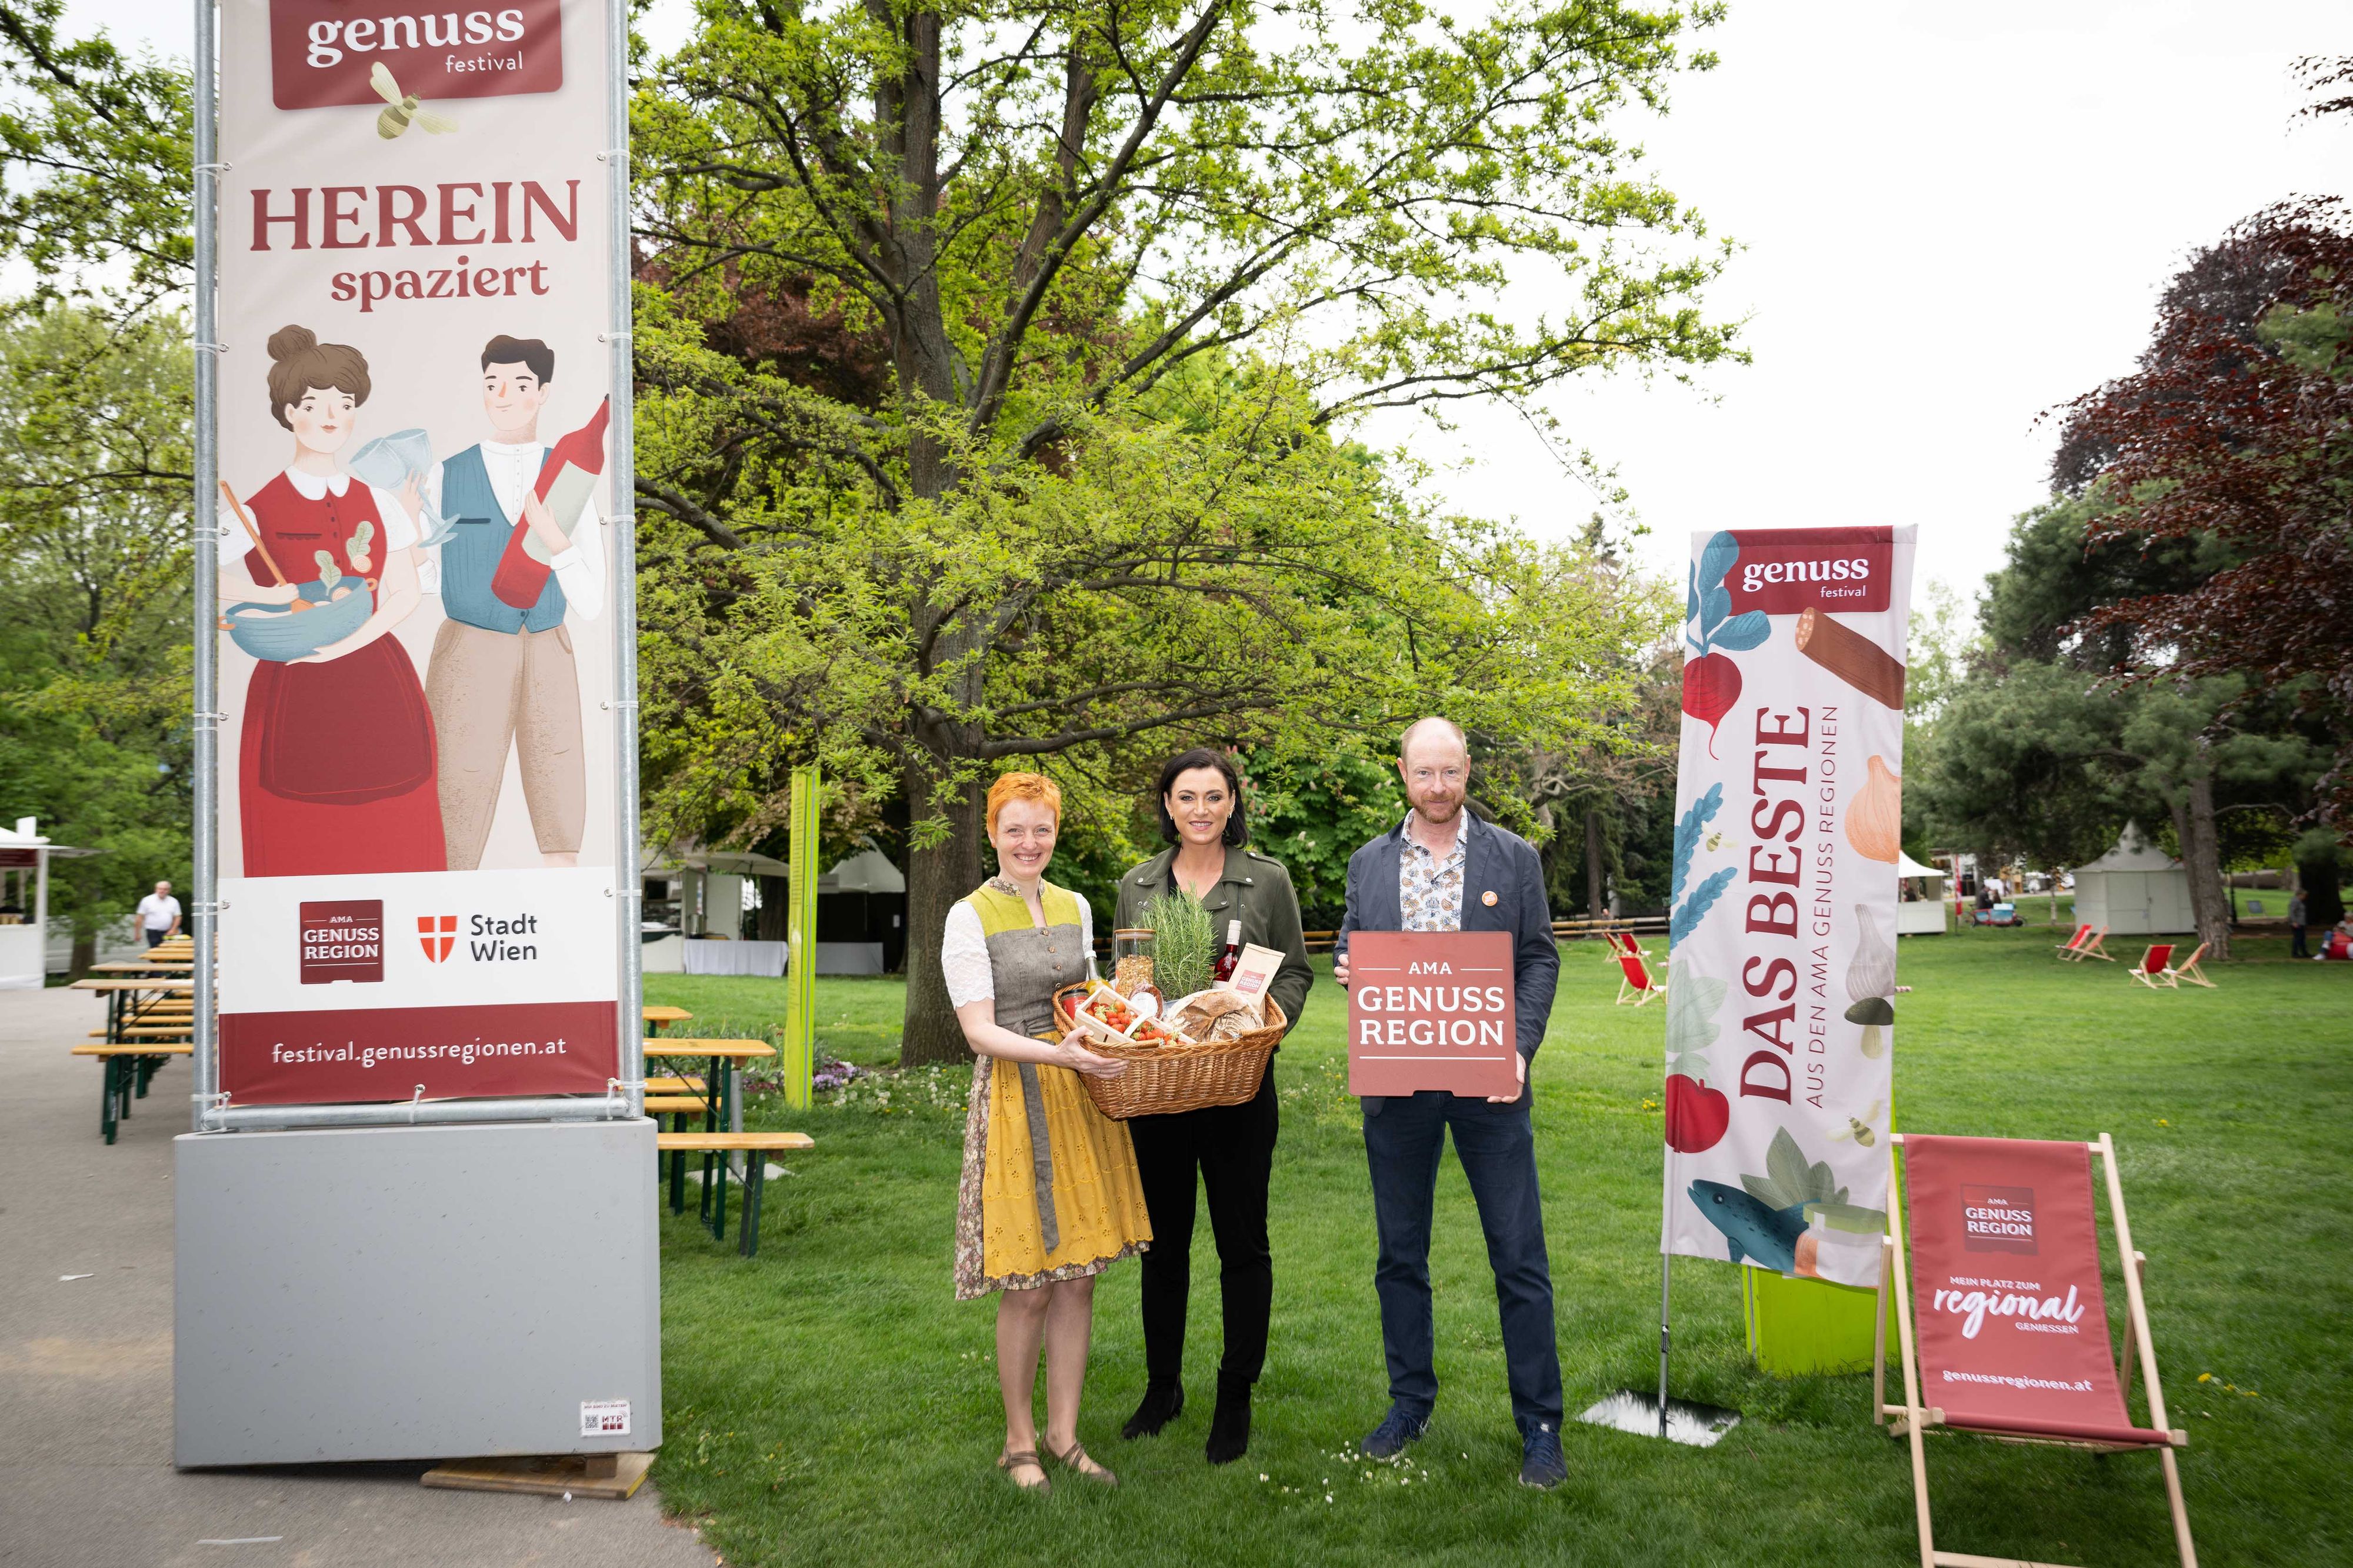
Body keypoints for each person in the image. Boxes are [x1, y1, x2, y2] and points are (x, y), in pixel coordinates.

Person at [1334, 716, 1566, 1489]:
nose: (1437, 787)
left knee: (1519, 1258)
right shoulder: (1368, 863)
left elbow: (1537, 958)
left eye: (1450, 773)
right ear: (1401, 772)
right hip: (1397, 1087)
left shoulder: (1513, 857)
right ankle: (1409, 1403)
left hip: (1488, 1087)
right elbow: (1353, 941)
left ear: (1469, 770)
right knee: (1400, 1256)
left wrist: (1519, 1046)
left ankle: (1540, 1424)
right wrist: (1349, 968)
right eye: (1423, 773)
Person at [945, 772, 1154, 1494]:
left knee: (1079, 1277)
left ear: (1055, 832)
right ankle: (1019, 1441)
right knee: (1031, 1283)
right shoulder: (968, 914)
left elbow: (1088, 997)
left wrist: (1128, 1024)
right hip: (1017, 1094)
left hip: (1079, 1092)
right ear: (993, 834)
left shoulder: (1074, 903)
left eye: (1041, 829)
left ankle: (1065, 1435)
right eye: (1014, 829)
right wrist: (1059, 1051)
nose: (1028, 842)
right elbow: (979, 1031)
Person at [1112, 748, 1312, 1464]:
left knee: (1241, 1244)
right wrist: (1137, 1029)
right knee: (1162, 1248)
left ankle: (1235, 1393)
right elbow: (1126, 979)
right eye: (1186, 796)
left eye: (1213, 796)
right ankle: (1163, 1386)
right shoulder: (1136, 885)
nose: (1200, 809)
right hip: (1159, 1095)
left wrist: (1266, 1027)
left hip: (1237, 1089)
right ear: (1167, 804)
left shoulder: (1268, 880)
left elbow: (1294, 971)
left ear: (1233, 803)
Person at [225, 326, 445, 877]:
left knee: (392, 827)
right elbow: (203, 576)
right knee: (300, 833)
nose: (331, 416)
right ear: (288, 413)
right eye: (314, 403)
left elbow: (405, 591)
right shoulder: (256, 508)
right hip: (292, 682)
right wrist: (262, 594)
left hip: (377, 678)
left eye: (344, 404)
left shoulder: (380, 503)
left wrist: (346, 646)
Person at [423, 335, 606, 871]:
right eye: (492, 383)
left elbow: (592, 603)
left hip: (550, 646)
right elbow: (429, 579)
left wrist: (557, 544)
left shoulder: (572, 473)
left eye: (521, 384)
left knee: (561, 806)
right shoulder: (446, 475)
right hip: (468, 650)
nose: (503, 395)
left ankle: (566, 929)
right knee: (452, 806)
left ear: (543, 393)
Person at [135, 881, 181, 948]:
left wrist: (173, 929)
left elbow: (178, 917)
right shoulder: (147, 900)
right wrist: (137, 933)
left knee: (169, 953)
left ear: (169, 890)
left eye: (165, 889)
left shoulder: (174, 901)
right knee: (155, 952)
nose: (162, 891)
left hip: (168, 932)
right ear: (156, 889)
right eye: (160, 889)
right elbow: (140, 918)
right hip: (152, 932)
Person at [2288, 888, 2308, 959]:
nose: (2304, 897)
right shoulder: (2295, 901)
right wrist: (2294, 922)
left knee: (2302, 938)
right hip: (2297, 923)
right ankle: (2295, 953)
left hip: (2301, 923)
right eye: (2304, 895)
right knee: (2297, 938)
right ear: (2300, 895)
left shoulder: (2299, 901)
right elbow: (2292, 912)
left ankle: (2304, 952)